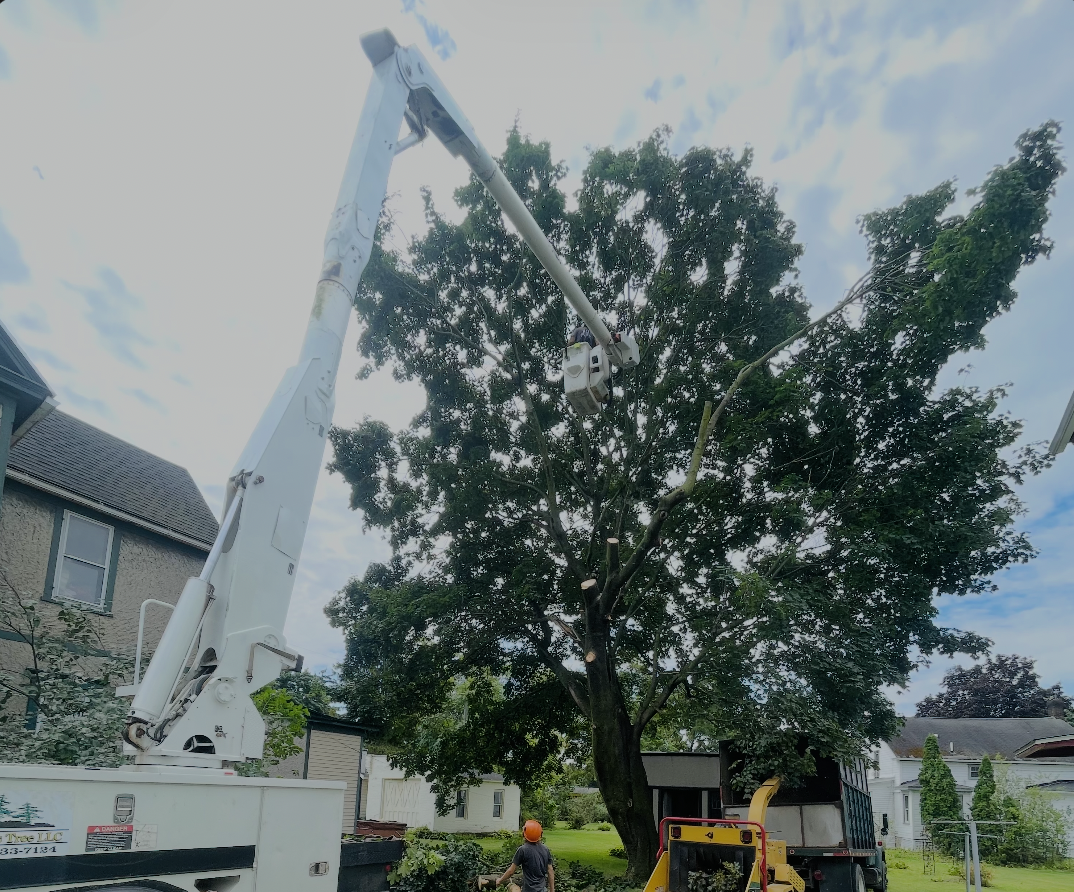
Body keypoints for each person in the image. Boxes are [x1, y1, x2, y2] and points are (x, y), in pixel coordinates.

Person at [496, 820, 554, 892]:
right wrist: (552, 890)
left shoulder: (523, 850)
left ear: (524, 834)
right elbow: (550, 871)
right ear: (540, 834)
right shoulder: (545, 849)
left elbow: (511, 871)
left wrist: (500, 880)